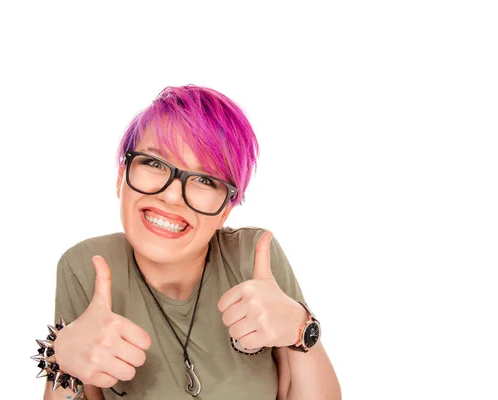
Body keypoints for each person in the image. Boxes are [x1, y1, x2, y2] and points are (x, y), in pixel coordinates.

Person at [32, 85, 341, 399]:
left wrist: (300, 328)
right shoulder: (87, 266)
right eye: (153, 163)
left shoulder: (253, 258)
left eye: (205, 180)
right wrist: (63, 360)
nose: (170, 196)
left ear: (226, 210)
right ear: (121, 176)